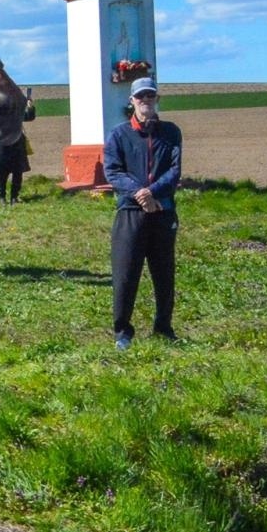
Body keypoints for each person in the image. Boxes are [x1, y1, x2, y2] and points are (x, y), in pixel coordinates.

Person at [104, 77, 182, 350]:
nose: (145, 101)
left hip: (163, 211)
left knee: (164, 272)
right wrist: (140, 193)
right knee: (126, 273)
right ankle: (122, 332)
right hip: (130, 213)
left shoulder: (171, 132)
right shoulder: (118, 135)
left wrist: (153, 193)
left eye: (150, 96)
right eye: (140, 97)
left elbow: (174, 170)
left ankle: (163, 328)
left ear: (157, 99)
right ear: (132, 101)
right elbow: (113, 171)